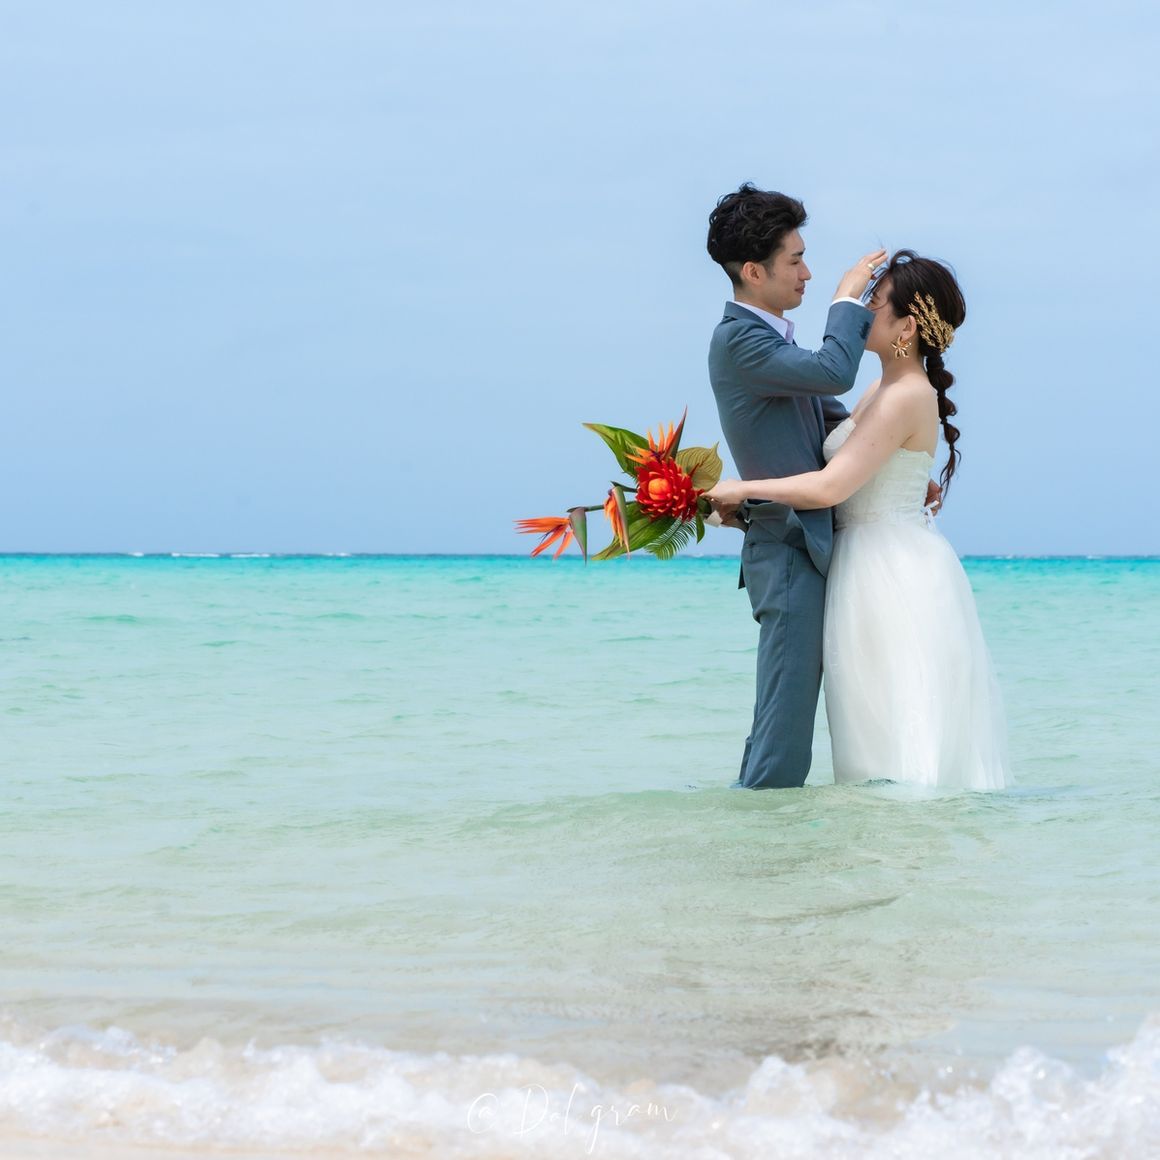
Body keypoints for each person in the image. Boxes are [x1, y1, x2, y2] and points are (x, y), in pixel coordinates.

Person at [708, 251, 1009, 790]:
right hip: (862, 565)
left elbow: (830, 486)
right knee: (869, 723)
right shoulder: (877, 391)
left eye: (875, 301)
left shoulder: (905, 395)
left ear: (907, 327)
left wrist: (742, 488)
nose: (865, 311)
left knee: (896, 721)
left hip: (890, 572)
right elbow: (847, 463)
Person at [705, 183, 939, 790]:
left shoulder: (771, 340)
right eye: (796, 260)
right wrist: (846, 298)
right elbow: (834, 373)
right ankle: (765, 834)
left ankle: (755, 827)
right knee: (785, 726)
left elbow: (837, 429)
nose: (807, 273)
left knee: (781, 718)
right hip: (787, 548)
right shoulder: (739, 340)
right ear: (753, 271)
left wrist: (902, 470)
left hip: (805, 545)